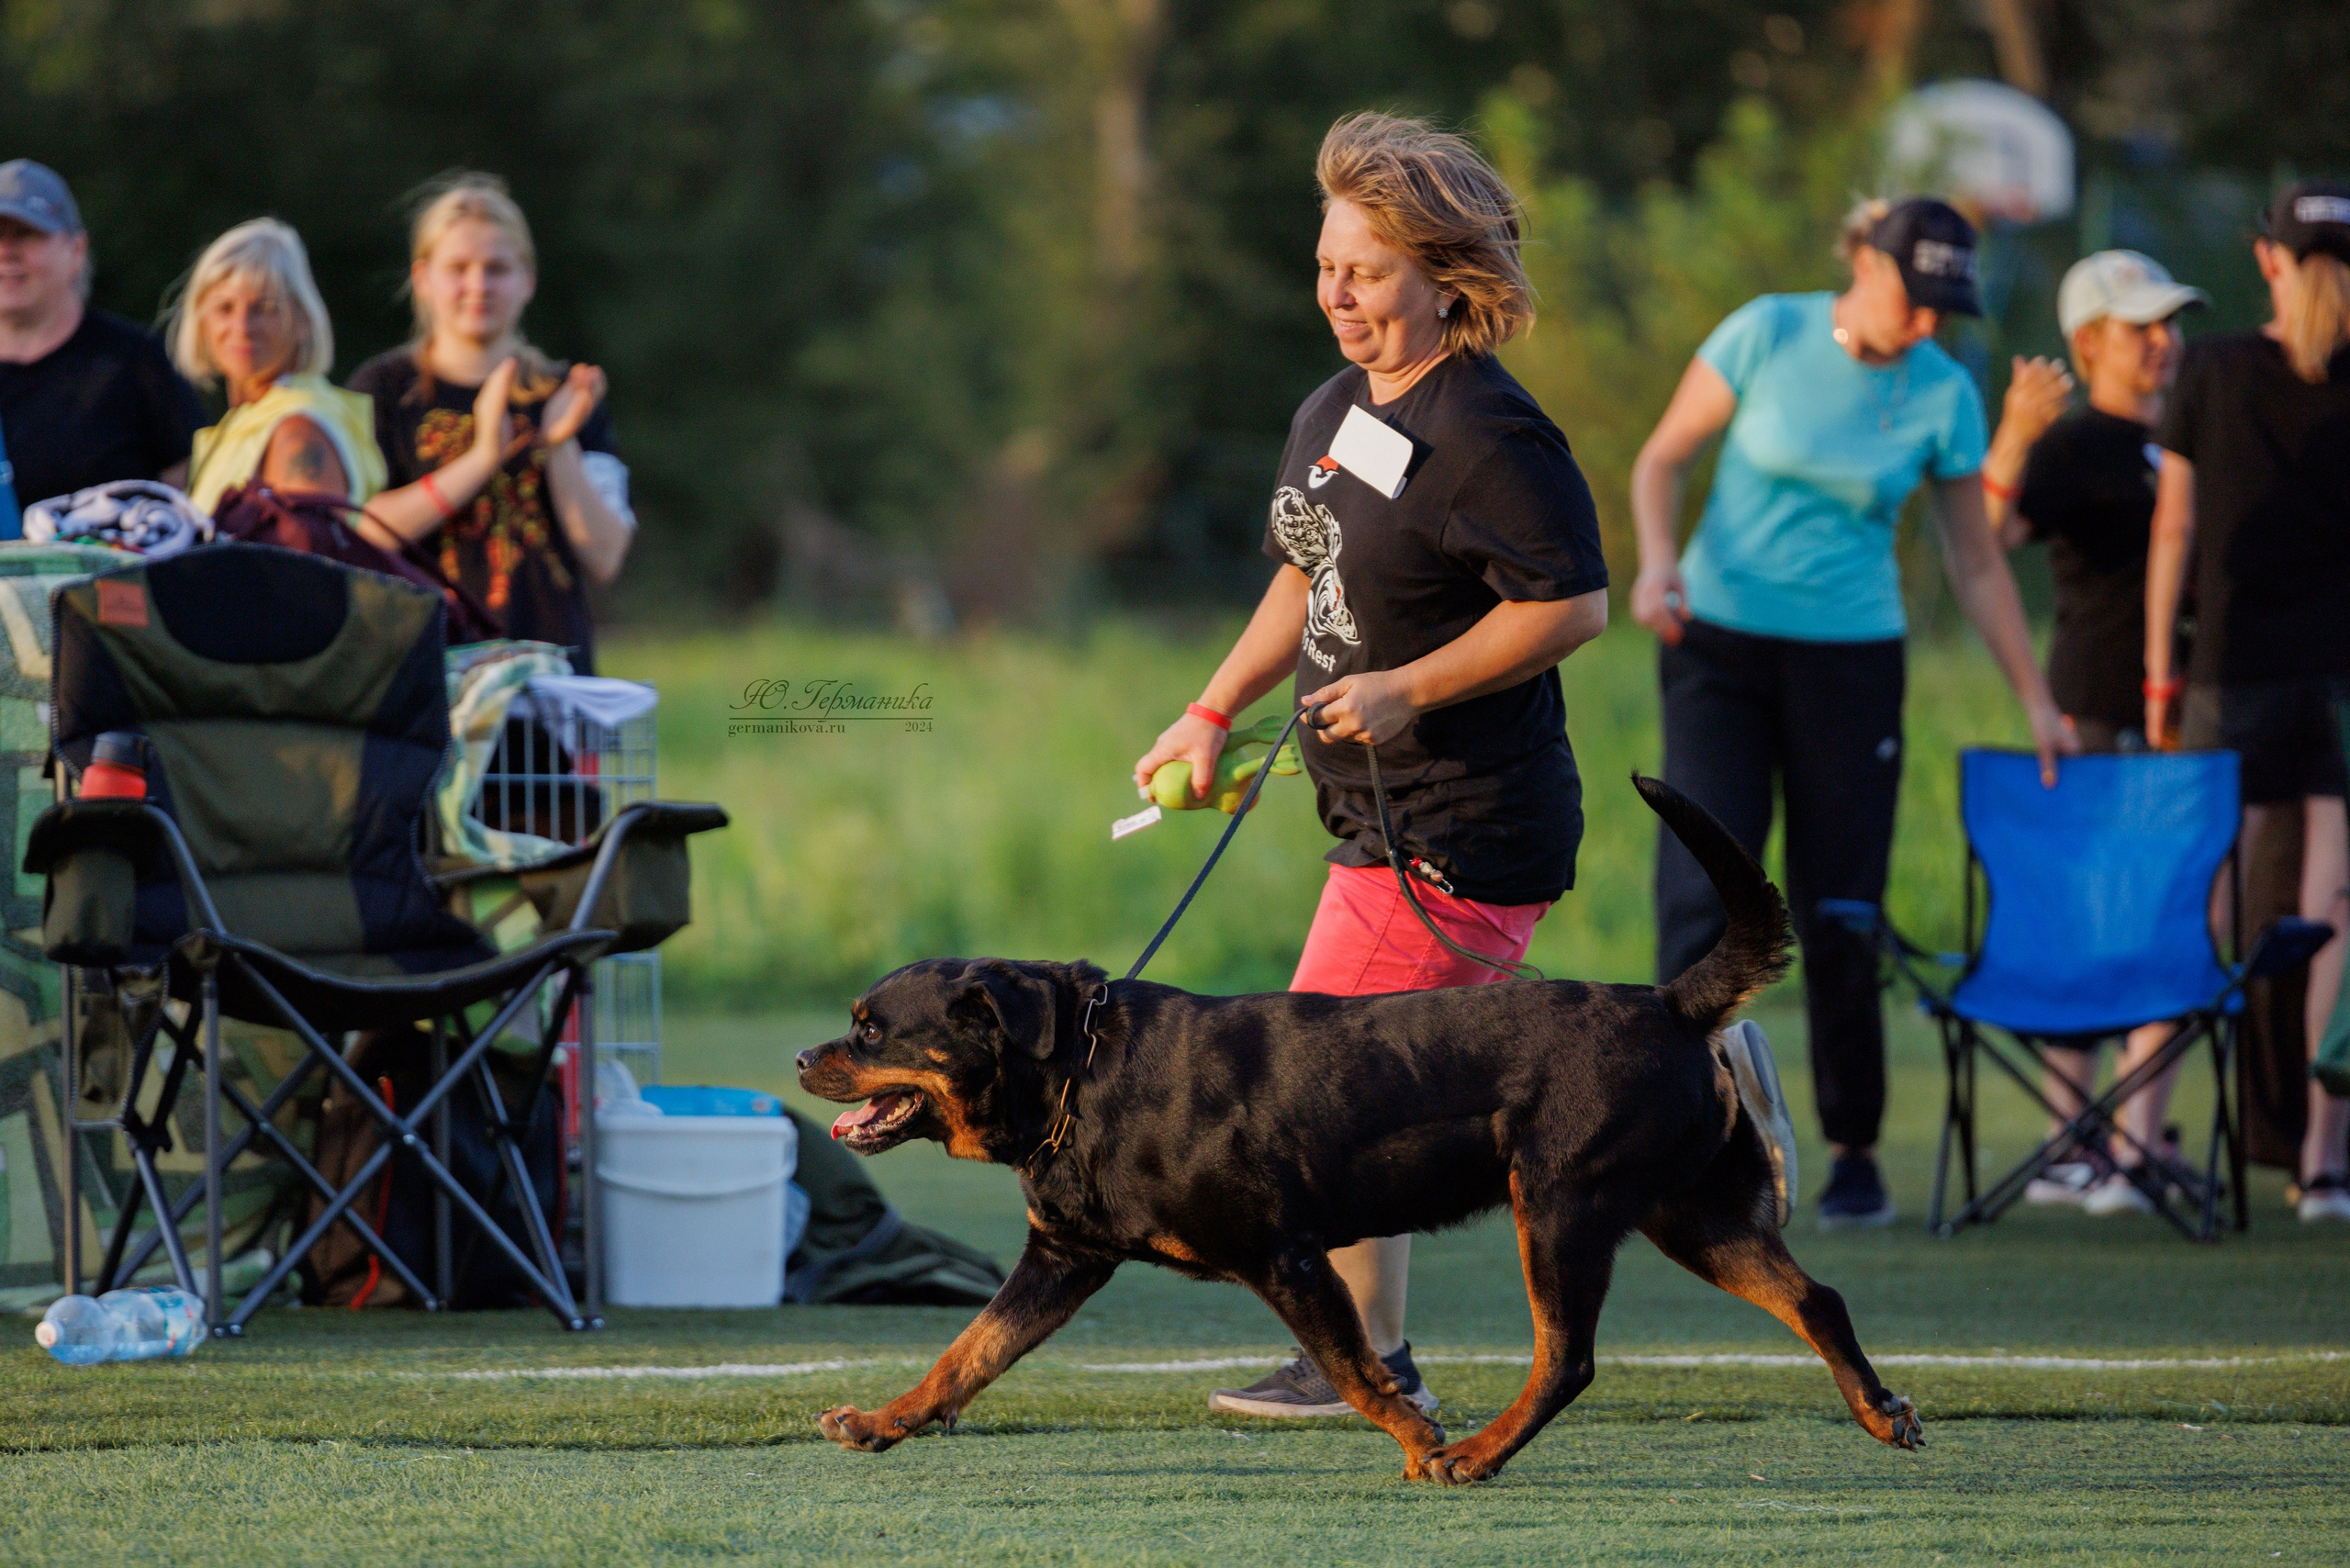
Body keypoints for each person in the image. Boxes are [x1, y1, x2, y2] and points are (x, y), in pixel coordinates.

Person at [1130, 112, 1609, 1419]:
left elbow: (1571, 607)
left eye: (1370, 271)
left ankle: (1361, 1361)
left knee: (1313, 1096)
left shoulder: (1494, 437)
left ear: (1445, 279)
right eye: (1329, 264)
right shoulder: (1337, 410)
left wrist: (1409, 686)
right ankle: (1682, 1082)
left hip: (1468, 822)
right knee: (1362, 1091)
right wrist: (1212, 709)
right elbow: (1309, 569)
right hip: (1375, 821)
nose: (1338, 295)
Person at [1629, 197, 2075, 1231]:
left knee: (1840, 911)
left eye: (1944, 310)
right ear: (1867, 263)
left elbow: (1974, 560)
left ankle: (1855, 1148)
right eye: (1915, 300)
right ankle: (1676, 1134)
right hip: (1719, 647)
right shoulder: (1765, 331)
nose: (1927, 325)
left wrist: (2038, 699)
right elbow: (1661, 460)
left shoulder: (1945, 392)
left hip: (1852, 661)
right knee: (1703, 891)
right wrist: (1656, 562)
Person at [1982, 250, 2210, 1216]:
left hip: (2192, 707)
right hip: (2097, 701)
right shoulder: (2076, 444)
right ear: (2087, 342)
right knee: (2085, 918)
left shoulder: (2195, 435)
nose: (2161, 343)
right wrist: (2012, 436)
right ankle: (2074, 1144)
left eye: (2167, 324)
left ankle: (2128, 1142)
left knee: (2167, 917)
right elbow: (1986, 544)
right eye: (2137, 327)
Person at [2145, 180, 2350, 1224]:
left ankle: (2139, 1139)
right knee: (2330, 919)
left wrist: (2154, 674)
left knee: (2203, 904)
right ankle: (2320, 1165)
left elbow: (2173, 533)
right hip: (2339, 683)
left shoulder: (2213, 368)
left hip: (2230, 671)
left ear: (2266, 259)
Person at [347, 174, 632, 670]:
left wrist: (558, 444)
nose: (478, 285)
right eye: (458, 268)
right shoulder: (384, 388)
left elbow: (605, 556)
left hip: (552, 684)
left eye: (496, 268)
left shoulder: (566, 392)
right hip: (427, 679)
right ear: (423, 279)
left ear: (527, 280)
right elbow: (359, 532)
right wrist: (479, 459)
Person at [0, 160, 204, 520]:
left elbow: (192, 508)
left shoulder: (137, 362)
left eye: (26, 234)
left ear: (76, 250)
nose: (7, 252)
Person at [169, 218, 385, 514]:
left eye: (264, 308)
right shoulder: (246, 423)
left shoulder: (298, 430)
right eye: (224, 307)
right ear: (201, 320)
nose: (242, 327)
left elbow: (305, 555)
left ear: (303, 319)